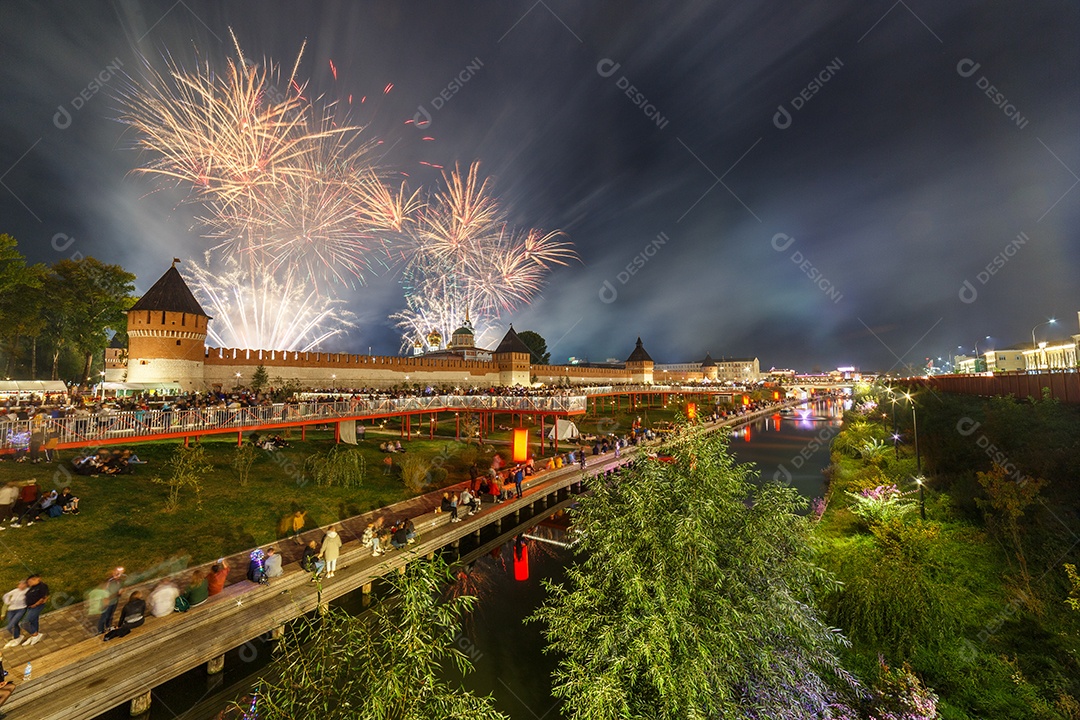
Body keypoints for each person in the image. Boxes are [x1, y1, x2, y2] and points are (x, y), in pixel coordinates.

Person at [20, 575, 48, 646]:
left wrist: (35, 604)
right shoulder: (33, 587)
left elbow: (44, 597)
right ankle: (34, 636)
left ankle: (36, 635)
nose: (29, 583)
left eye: (30, 582)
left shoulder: (42, 586)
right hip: (30, 607)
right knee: (33, 621)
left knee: (24, 623)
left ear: (36, 579)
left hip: (36, 607)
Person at [97, 567, 126, 636]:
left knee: (110, 615)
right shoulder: (109, 582)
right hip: (107, 603)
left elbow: (118, 591)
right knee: (104, 616)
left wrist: (120, 593)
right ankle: (101, 631)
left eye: (120, 573)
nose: (118, 574)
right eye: (117, 572)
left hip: (114, 601)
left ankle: (108, 626)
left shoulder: (119, 581)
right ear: (113, 572)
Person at [2, 581, 27, 647]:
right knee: (14, 624)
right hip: (11, 610)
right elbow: (6, 596)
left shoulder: (27, 591)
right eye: (20, 584)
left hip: (20, 609)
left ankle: (17, 637)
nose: (21, 586)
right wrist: (7, 602)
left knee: (10, 626)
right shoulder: (14, 591)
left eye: (23, 584)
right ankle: (17, 636)